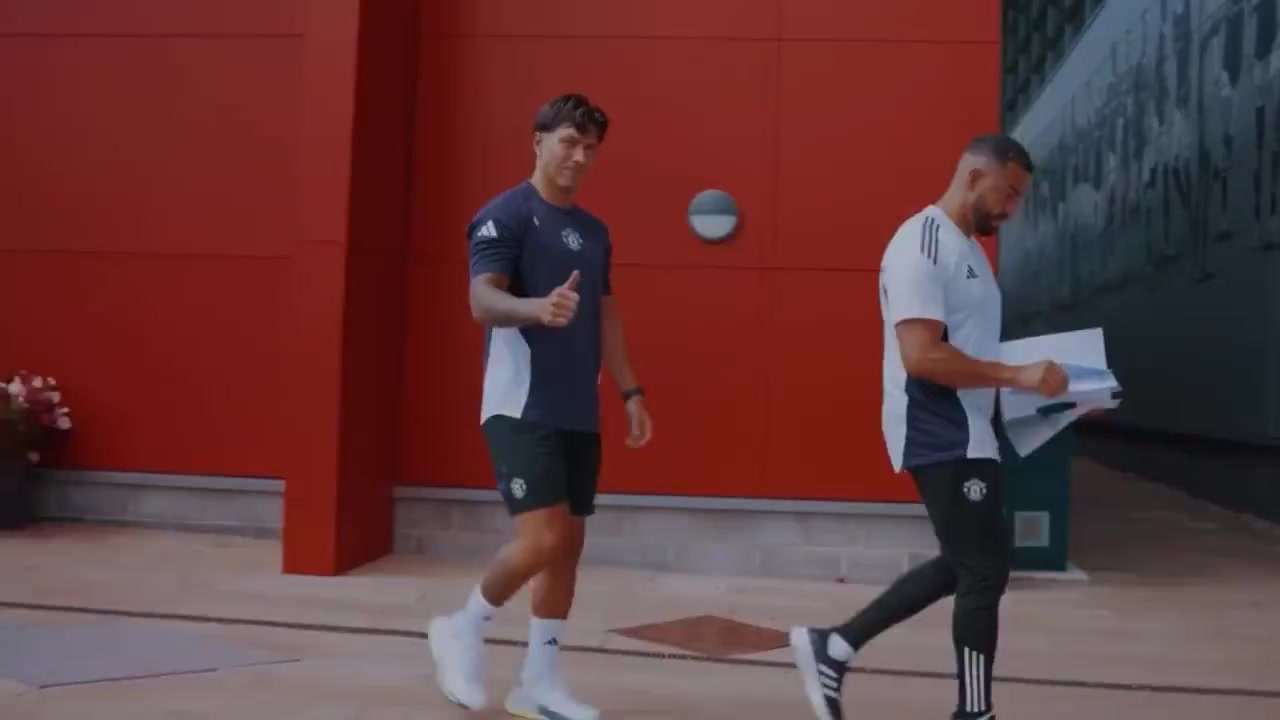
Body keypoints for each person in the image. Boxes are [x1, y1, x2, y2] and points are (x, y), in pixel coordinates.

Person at [787, 134, 1070, 720]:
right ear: (974, 176)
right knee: (982, 569)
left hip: (971, 429)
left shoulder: (972, 253)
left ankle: (833, 646)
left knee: (970, 561)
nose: (1012, 209)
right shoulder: (921, 243)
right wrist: (1017, 375)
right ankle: (974, 712)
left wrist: (1056, 391)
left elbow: (977, 354)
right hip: (938, 427)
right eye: (1008, 193)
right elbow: (921, 356)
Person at [426, 93, 652, 720]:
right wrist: (536, 308)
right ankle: (462, 626)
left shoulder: (595, 233)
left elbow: (607, 317)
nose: (578, 157)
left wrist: (630, 391)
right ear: (538, 142)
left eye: (589, 148)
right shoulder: (506, 215)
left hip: (577, 409)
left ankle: (538, 681)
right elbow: (481, 300)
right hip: (519, 406)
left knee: (567, 545)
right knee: (544, 539)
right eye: (567, 142)